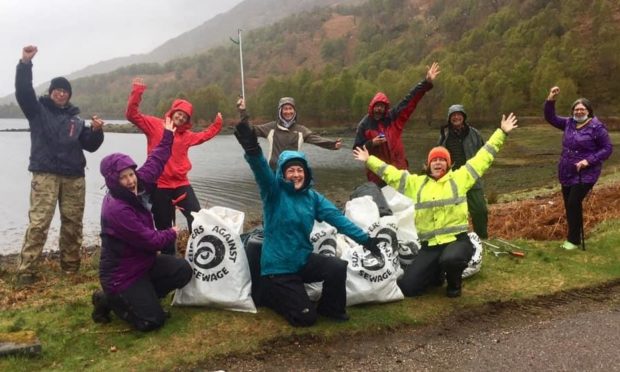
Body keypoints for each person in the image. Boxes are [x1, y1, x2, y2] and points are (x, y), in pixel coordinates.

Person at [234, 116, 381, 327]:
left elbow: (338, 220)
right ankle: (268, 294)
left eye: (299, 170)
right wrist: (252, 147)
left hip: (301, 261)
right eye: (290, 170)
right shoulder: (273, 191)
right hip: (278, 270)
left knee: (337, 267)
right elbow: (260, 170)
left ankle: (331, 309)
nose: (296, 174)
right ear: (283, 173)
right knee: (305, 318)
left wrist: (367, 240)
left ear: (306, 172)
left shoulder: (312, 198)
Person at [354, 113, 519, 298]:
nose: (438, 163)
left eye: (442, 160)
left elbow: (483, 157)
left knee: (451, 259)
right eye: (434, 160)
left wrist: (502, 133)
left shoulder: (460, 178)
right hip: (430, 247)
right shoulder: (416, 183)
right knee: (408, 288)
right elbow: (391, 174)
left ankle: (454, 284)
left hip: (457, 241)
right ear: (428, 164)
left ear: (448, 164)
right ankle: (436, 274)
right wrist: (369, 160)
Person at [14, 45, 104, 286]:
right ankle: (26, 272)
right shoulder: (37, 110)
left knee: (73, 223)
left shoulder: (77, 120)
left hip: (74, 177)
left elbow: (91, 145)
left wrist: (96, 131)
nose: (61, 94)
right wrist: (25, 64)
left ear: (69, 95)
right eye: (57, 90)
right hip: (45, 175)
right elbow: (23, 92)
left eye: (65, 91)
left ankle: (71, 268)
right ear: (51, 92)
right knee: (39, 222)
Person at [91, 118, 192, 332]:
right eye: (123, 178)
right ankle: (109, 300)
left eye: (131, 174)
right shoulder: (117, 209)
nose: (130, 181)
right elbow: (149, 240)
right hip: (121, 276)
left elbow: (156, 160)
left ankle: (142, 297)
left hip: (143, 265)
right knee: (153, 321)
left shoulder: (140, 182)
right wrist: (171, 233)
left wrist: (167, 135)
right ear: (113, 181)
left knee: (183, 270)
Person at [126, 77, 222, 255]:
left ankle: (201, 254)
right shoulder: (155, 125)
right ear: (172, 112)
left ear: (187, 120)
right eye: (179, 113)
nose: (180, 117)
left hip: (181, 184)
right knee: (164, 227)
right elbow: (132, 115)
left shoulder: (187, 136)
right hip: (160, 185)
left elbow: (205, 135)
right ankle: (170, 261)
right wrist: (137, 91)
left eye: (184, 116)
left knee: (197, 218)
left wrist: (217, 124)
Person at [544, 86, 612, 250]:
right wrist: (551, 98)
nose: (579, 111)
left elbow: (607, 149)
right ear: (573, 111)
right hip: (567, 171)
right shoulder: (568, 123)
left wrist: (588, 161)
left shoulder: (597, 128)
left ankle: (573, 240)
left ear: (589, 111)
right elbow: (550, 117)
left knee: (574, 202)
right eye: (576, 109)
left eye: (582, 109)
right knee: (569, 204)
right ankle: (574, 236)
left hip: (586, 173)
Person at [353, 62, 441, 185]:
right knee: (382, 204)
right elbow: (356, 150)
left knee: (405, 203)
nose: (379, 109)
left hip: (399, 173)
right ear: (372, 107)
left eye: (382, 106)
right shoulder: (364, 124)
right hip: (378, 176)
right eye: (377, 106)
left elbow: (410, 99)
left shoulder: (394, 118)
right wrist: (371, 143)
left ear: (386, 108)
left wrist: (426, 82)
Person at [237, 96, 342, 170]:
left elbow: (316, 139)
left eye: (290, 108)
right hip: (273, 171)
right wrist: (243, 112)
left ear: (294, 111)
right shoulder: (271, 128)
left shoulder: (301, 130)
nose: (288, 112)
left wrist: (333, 144)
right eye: (285, 109)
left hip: (293, 173)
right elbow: (250, 131)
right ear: (280, 111)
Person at [438, 104, 488, 239]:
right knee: (455, 214)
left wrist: (480, 170)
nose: (456, 117)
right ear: (449, 119)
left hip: (472, 178)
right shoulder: (444, 135)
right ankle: (459, 241)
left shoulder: (475, 133)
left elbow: (484, 153)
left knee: (480, 210)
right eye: (453, 115)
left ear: (463, 117)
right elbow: (439, 155)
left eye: (459, 114)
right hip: (453, 180)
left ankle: (482, 239)